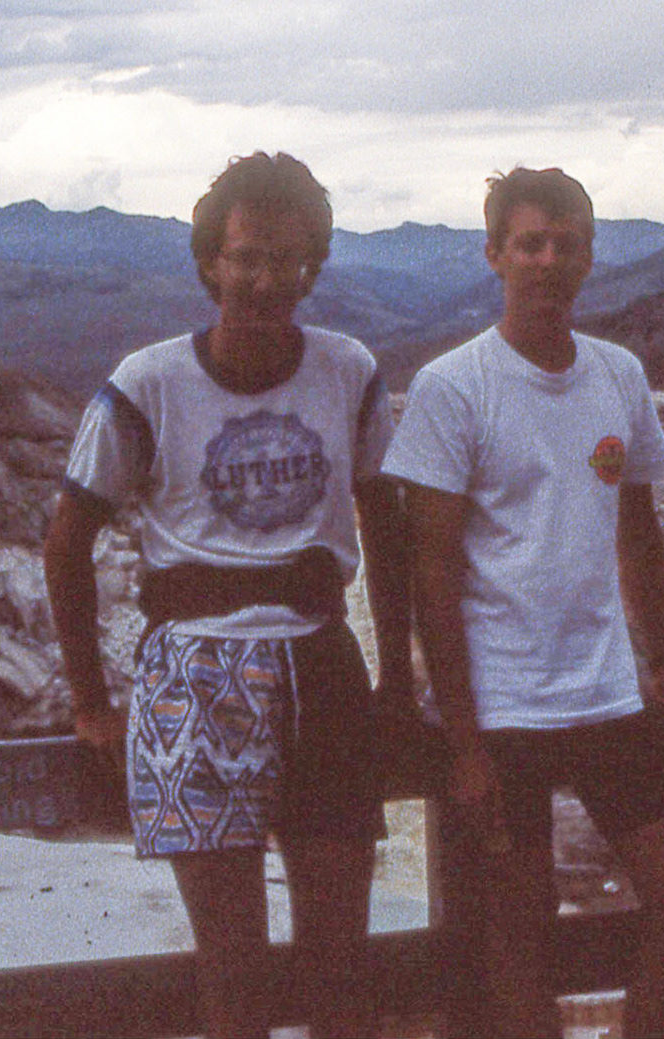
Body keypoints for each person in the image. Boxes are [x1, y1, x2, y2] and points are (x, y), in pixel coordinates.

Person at [44, 151, 410, 1039]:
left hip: (322, 666)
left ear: (313, 266)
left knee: (339, 965)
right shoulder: (148, 383)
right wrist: (92, 703)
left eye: (287, 260)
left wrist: (396, 678)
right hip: (194, 677)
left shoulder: (347, 370)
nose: (265, 279)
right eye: (246, 256)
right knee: (232, 972)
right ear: (211, 259)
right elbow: (65, 540)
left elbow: (385, 519)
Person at [381, 166, 664, 1039]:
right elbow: (431, 574)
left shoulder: (618, 375)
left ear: (590, 258)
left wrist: (663, 656)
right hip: (504, 705)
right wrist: (462, 743)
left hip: (605, 690)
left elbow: (636, 527)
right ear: (495, 254)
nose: (548, 260)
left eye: (567, 244)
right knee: (519, 940)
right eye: (530, 242)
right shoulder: (455, 387)